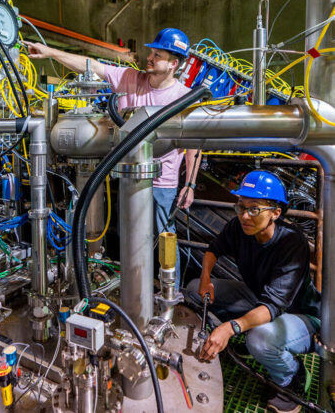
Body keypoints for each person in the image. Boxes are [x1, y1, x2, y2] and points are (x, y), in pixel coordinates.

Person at [26, 28, 201, 285]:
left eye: (158, 55)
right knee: (127, 235)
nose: (149, 58)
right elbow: (93, 66)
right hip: (126, 176)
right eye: (151, 52)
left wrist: (190, 184)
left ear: (173, 64)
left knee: (163, 236)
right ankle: (132, 288)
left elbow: (193, 145)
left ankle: (168, 293)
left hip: (161, 184)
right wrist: (49, 51)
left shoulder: (184, 97)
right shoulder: (131, 79)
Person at [187, 170, 321, 413]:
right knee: (193, 289)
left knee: (258, 338)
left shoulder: (292, 242)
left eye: (254, 208)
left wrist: (230, 327)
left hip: (300, 316)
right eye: (241, 207)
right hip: (260, 299)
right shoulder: (240, 227)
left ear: (276, 213)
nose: (245, 216)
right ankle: (239, 341)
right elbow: (213, 249)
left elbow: (273, 306)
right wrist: (206, 279)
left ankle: (291, 378)